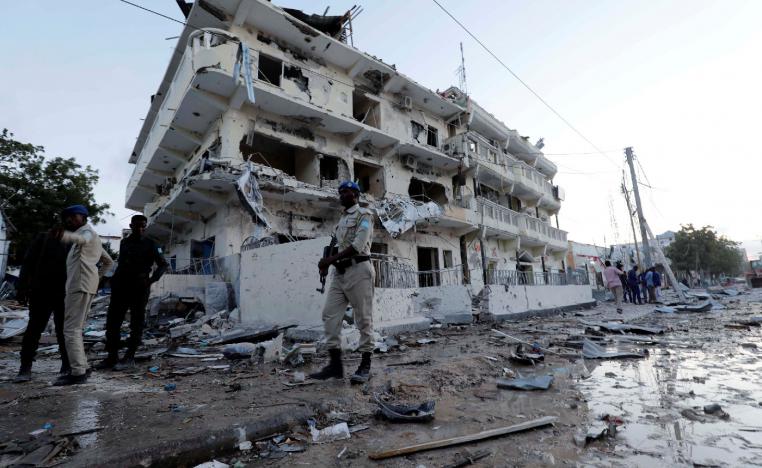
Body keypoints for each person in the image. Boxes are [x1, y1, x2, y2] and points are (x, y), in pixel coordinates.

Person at [309, 181, 375, 384]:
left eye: (344, 192)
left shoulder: (364, 215)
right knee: (329, 315)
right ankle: (335, 366)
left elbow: (357, 246)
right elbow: (336, 245)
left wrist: (330, 259)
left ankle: (365, 366)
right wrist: (327, 262)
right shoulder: (342, 220)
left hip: (359, 270)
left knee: (363, 318)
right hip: (340, 274)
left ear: (355, 194)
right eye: (339, 192)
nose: (341, 195)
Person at [98, 215, 168, 371]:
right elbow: (122, 263)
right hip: (121, 286)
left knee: (136, 323)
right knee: (113, 322)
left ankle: (129, 356)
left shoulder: (151, 244)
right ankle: (112, 356)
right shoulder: (125, 243)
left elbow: (163, 265)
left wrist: (150, 281)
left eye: (143, 226)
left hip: (139, 287)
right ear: (131, 225)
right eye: (137, 226)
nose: (140, 229)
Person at [54, 205, 114, 386]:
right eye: (67, 217)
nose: (69, 220)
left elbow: (82, 239)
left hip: (79, 286)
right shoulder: (93, 236)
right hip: (86, 285)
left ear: (82, 216)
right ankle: (83, 367)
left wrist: (63, 235)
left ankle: (78, 372)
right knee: (76, 328)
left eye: (72, 217)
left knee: (70, 329)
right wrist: (96, 277)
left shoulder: (86, 233)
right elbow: (108, 262)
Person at [13, 230, 72, 382]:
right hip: (41, 290)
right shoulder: (42, 238)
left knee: (64, 330)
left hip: (64, 292)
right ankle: (25, 367)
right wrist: (22, 288)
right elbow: (28, 262)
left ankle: (67, 365)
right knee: (34, 329)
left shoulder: (74, 240)